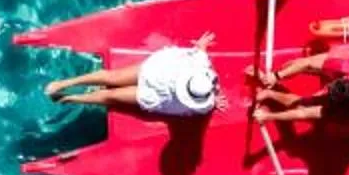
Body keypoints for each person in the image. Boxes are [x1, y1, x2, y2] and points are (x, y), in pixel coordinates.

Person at [253, 16, 349, 129]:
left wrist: (269, 117)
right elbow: (306, 63)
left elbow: (303, 113)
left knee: (302, 104)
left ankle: (270, 93)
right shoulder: (344, 65)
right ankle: (272, 80)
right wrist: (276, 77)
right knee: (298, 65)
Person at [47, 33, 220, 120]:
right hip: (158, 75)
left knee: (111, 96)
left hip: (157, 96)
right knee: (111, 78)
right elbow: (200, 54)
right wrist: (201, 46)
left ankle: (71, 98)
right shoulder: (201, 68)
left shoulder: (205, 99)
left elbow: (200, 55)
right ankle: (66, 83)